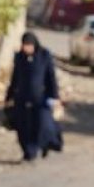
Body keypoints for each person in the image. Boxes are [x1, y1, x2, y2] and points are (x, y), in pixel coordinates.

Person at [4, 32, 63, 162]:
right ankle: (28, 152)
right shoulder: (19, 58)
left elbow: (50, 78)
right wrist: (9, 96)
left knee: (41, 125)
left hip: (40, 98)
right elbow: (14, 78)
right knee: (23, 126)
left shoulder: (44, 56)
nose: (27, 48)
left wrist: (55, 97)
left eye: (29, 45)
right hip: (22, 98)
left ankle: (42, 146)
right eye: (25, 45)